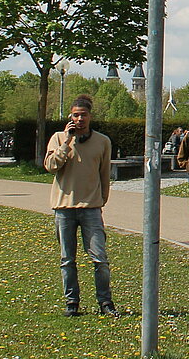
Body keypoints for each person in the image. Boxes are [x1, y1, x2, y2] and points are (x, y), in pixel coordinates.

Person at [44, 94, 116, 317]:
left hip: (91, 208)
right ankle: (72, 303)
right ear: (70, 117)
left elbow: (104, 174)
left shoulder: (102, 142)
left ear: (90, 116)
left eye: (83, 115)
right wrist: (66, 142)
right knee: (67, 259)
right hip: (64, 208)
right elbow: (51, 166)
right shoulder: (58, 138)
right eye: (76, 115)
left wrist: (102, 198)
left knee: (100, 258)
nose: (80, 119)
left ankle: (105, 302)